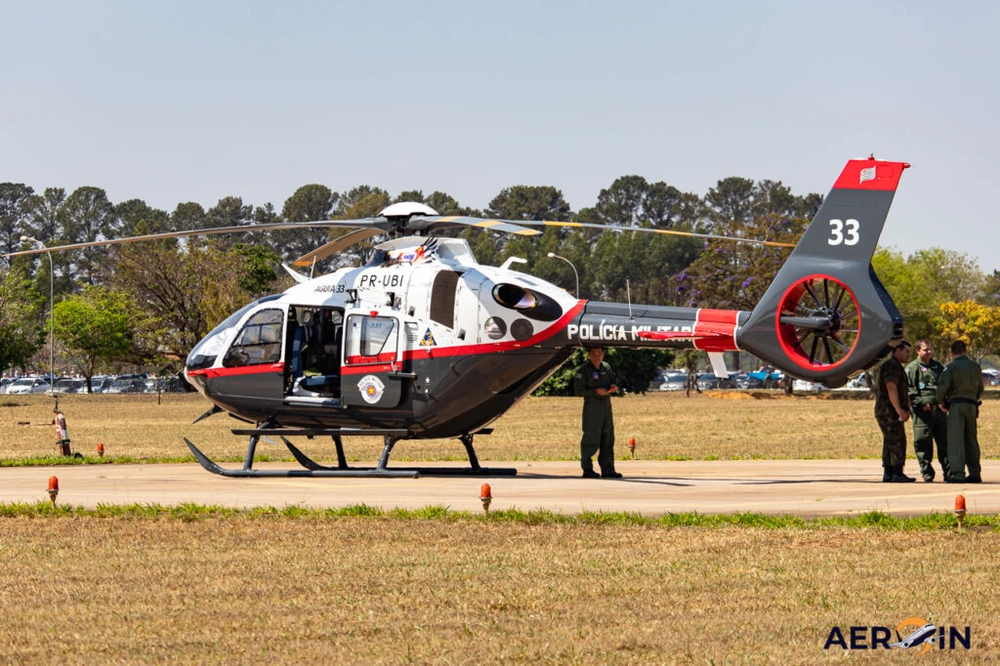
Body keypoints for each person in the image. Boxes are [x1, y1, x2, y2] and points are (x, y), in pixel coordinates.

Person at [935, 340, 984, 483]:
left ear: (952, 353)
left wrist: (940, 401)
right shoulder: (975, 367)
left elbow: (942, 388)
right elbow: (980, 388)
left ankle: (957, 473)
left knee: (956, 440)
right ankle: (975, 472)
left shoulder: (951, 367)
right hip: (972, 405)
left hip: (957, 406)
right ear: (966, 351)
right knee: (971, 439)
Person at [573, 346, 622, 478]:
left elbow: (613, 380)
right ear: (589, 355)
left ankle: (608, 470)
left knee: (608, 437)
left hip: (606, 407)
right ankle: (587, 469)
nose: (596, 356)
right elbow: (578, 391)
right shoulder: (583, 371)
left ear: (603, 354)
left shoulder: (606, 367)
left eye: (599, 353)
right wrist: (595, 391)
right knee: (591, 437)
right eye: (594, 353)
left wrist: (613, 386)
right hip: (592, 408)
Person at [905, 340, 950, 482]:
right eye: (925, 350)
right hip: (922, 413)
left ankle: (949, 473)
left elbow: (946, 384)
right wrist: (922, 403)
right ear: (918, 351)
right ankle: (927, 472)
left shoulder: (938, 366)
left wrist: (945, 402)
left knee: (945, 442)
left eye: (930, 349)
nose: (928, 352)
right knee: (922, 442)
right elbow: (910, 390)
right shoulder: (912, 368)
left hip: (939, 412)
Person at [874, 341, 916, 482]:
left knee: (890, 441)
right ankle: (897, 473)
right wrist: (899, 410)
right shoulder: (892, 366)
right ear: (897, 350)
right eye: (907, 352)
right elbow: (891, 386)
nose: (908, 355)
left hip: (888, 411)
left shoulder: (896, 366)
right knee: (897, 440)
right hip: (889, 411)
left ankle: (889, 473)